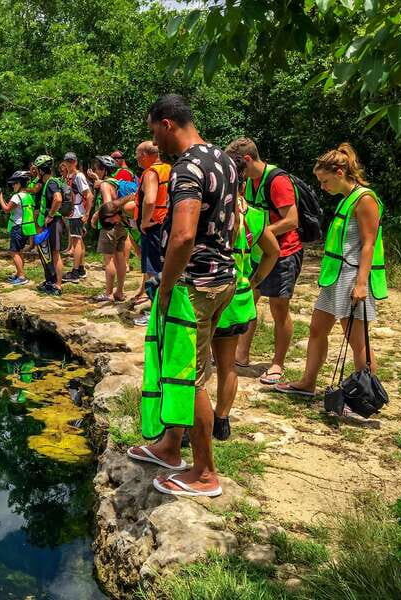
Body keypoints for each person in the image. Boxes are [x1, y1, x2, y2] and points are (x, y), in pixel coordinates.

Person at [127, 94, 237, 497]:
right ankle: (170, 447)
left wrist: (167, 286)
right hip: (222, 277)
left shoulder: (187, 167)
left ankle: (205, 473)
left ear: (167, 123)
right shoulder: (223, 159)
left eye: (153, 130)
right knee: (181, 366)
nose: (154, 141)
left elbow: (184, 235)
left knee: (190, 377)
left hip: (194, 286)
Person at [275, 143, 387, 398]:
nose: (322, 187)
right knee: (317, 329)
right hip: (335, 277)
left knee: (357, 341)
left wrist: (361, 284)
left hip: (352, 278)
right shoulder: (347, 199)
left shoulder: (365, 199)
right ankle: (307, 383)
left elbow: (369, 244)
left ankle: (366, 397)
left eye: (325, 181)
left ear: (339, 173)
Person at [212, 159, 280, 439]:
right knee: (227, 364)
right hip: (238, 296)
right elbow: (273, 252)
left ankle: (190, 424)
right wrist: (254, 281)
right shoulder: (254, 216)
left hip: (209, 295)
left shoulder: (211, 212)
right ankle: (221, 420)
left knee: (196, 366)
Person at [226, 138, 302, 384]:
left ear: (247, 159)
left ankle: (277, 364)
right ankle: (241, 355)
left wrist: (260, 234)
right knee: (249, 301)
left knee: (278, 310)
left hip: (285, 252)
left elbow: (291, 220)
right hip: (259, 253)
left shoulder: (277, 181)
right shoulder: (249, 181)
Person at [129, 141, 171, 325]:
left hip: (154, 227)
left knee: (153, 271)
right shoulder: (169, 169)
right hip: (168, 225)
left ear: (145, 155)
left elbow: (150, 199)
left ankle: (155, 315)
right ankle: (166, 312)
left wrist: (144, 221)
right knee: (166, 269)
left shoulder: (151, 173)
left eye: (138, 155)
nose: (137, 159)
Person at [90, 156, 127, 302]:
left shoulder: (105, 185)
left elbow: (108, 205)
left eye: (97, 168)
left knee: (108, 259)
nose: (96, 171)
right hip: (122, 224)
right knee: (120, 258)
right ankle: (119, 292)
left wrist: (95, 216)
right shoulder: (117, 183)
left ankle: (109, 293)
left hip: (109, 225)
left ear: (103, 170)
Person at [0, 170, 35, 286]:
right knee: (19, 251)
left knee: (13, 252)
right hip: (26, 227)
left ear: (19, 183)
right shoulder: (28, 196)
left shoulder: (16, 196)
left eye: (14, 183)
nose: (13, 186)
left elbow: (6, 209)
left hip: (17, 226)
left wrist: (0, 198)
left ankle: (21, 276)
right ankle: (19, 273)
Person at [34, 155, 65, 295]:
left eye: (37, 170)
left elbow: (58, 199)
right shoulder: (47, 183)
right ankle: (50, 281)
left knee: (55, 253)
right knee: (48, 252)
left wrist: (51, 215)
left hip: (54, 222)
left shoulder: (51, 183)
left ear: (41, 170)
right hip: (49, 223)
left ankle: (58, 285)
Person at [62, 152, 94, 282]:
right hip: (72, 212)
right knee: (79, 241)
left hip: (77, 213)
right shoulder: (68, 176)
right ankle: (81, 269)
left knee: (77, 242)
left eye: (72, 161)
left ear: (75, 162)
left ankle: (75, 272)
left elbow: (89, 195)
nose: (69, 163)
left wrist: (87, 214)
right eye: (67, 161)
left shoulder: (79, 176)